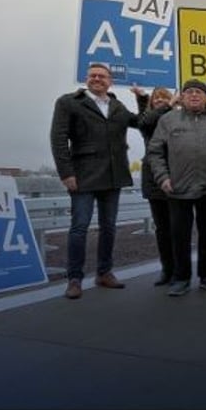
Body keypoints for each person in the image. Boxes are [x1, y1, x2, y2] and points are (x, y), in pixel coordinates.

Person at [50, 63, 147, 300]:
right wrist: (66, 173)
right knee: (79, 227)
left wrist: (143, 99)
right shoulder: (69, 102)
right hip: (83, 175)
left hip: (112, 175)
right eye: (93, 75)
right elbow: (58, 138)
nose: (97, 79)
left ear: (110, 81)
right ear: (87, 79)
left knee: (109, 227)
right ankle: (74, 278)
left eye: (102, 76)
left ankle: (104, 272)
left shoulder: (116, 105)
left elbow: (142, 122)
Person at [147, 79, 206, 297]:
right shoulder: (167, 120)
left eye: (199, 92)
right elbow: (155, 152)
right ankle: (181, 278)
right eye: (189, 92)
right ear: (182, 97)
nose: (194, 95)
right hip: (177, 189)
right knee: (179, 236)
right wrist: (163, 177)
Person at [137, 86, 177, 286]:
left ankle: (179, 269)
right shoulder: (148, 123)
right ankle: (166, 269)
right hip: (153, 180)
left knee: (176, 228)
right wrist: (166, 105)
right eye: (157, 98)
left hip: (176, 178)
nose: (161, 100)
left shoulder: (176, 119)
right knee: (162, 229)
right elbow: (144, 119)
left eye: (165, 97)